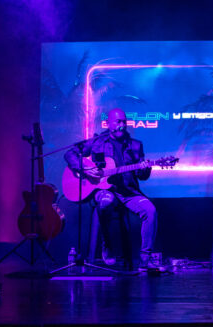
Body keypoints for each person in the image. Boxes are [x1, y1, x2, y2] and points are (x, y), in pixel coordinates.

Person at [65, 108, 159, 270]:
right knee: (106, 202)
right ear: (108, 124)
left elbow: (142, 176)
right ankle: (107, 245)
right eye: (118, 121)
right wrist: (84, 168)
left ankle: (145, 258)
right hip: (103, 191)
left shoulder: (135, 146)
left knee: (150, 210)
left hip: (128, 192)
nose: (122, 124)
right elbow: (70, 154)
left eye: (124, 121)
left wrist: (145, 168)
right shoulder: (97, 142)